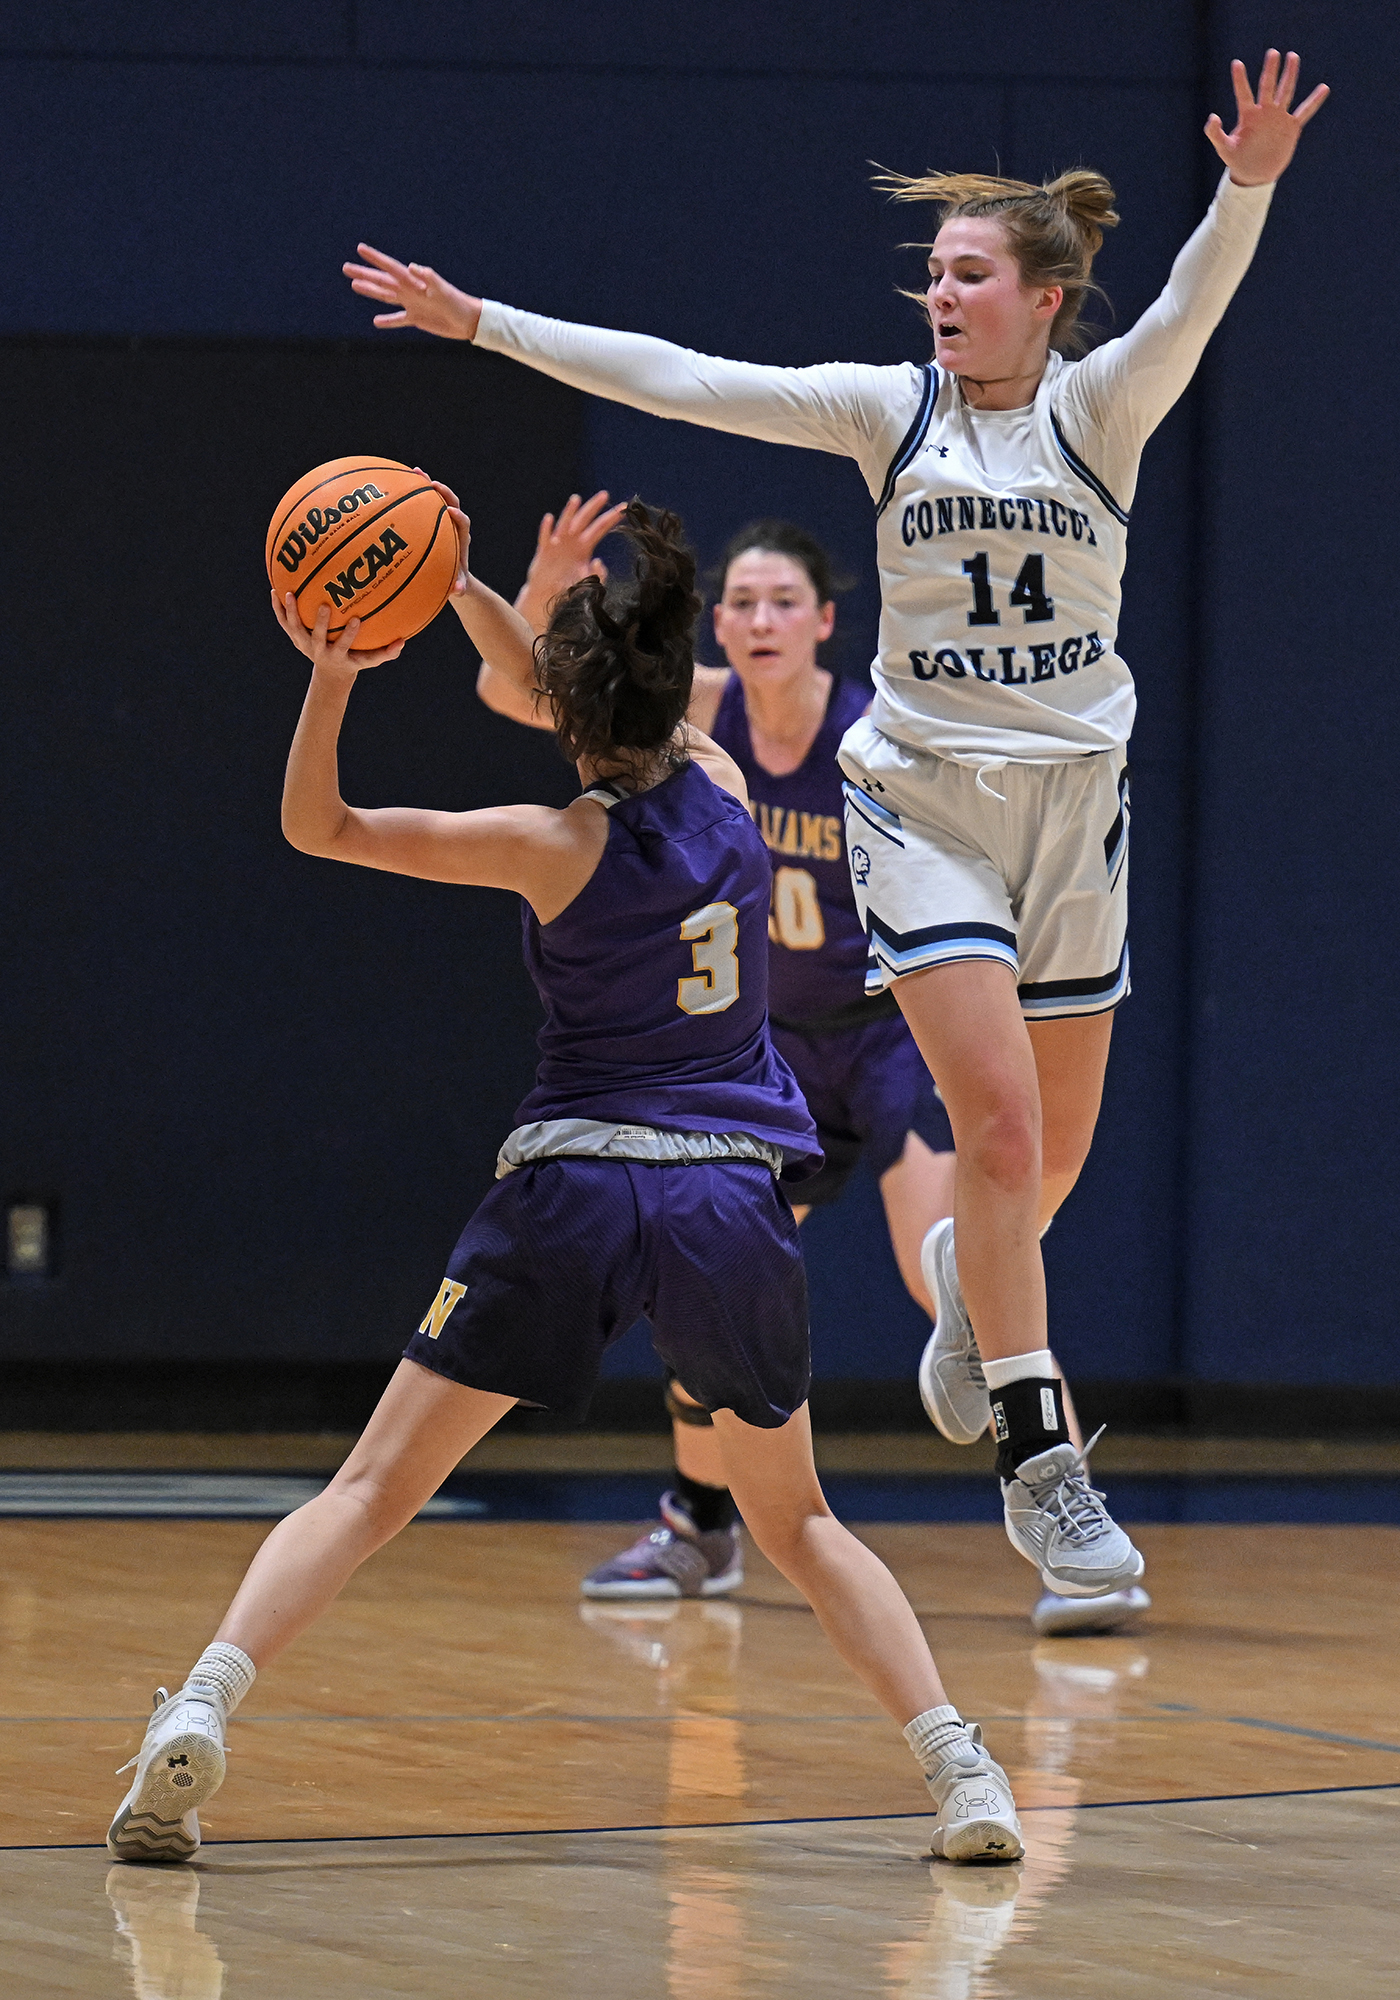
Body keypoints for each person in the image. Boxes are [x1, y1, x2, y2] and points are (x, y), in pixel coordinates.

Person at [343, 48, 1326, 1606]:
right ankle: (1041, 1456)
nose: (940, 296)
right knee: (997, 1131)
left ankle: (961, 1302)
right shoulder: (890, 414)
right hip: (925, 801)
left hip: (1077, 810)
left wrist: (1251, 181)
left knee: (1045, 1163)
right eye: (930, 274)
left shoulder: (1106, 410)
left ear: (1044, 298)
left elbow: (1199, 296)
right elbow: (679, 371)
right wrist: (488, 326)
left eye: (970, 275)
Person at [105, 495, 1023, 1867]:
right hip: (728, 1195)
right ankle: (966, 1778)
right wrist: (480, 591)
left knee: (365, 1493)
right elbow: (575, 681)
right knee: (805, 1526)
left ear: (566, 717)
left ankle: (203, 1705)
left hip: (574, 1189)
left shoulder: (546, 845)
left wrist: (336, 673)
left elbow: (323, 825)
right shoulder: (726, 787)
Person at [485, 496, 1145, 1635]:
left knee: (971, 1271)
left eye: (780, 599)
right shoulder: (694, 714)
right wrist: (535, 597)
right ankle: (699, 1521)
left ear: (827, 621)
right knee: (706, 1289)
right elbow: (529, 691)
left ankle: (1057, 1508)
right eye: (737, 601)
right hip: (759, 1050)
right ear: (717, 626)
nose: (756, 617)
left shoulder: (876, 723)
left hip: (887, 1036)